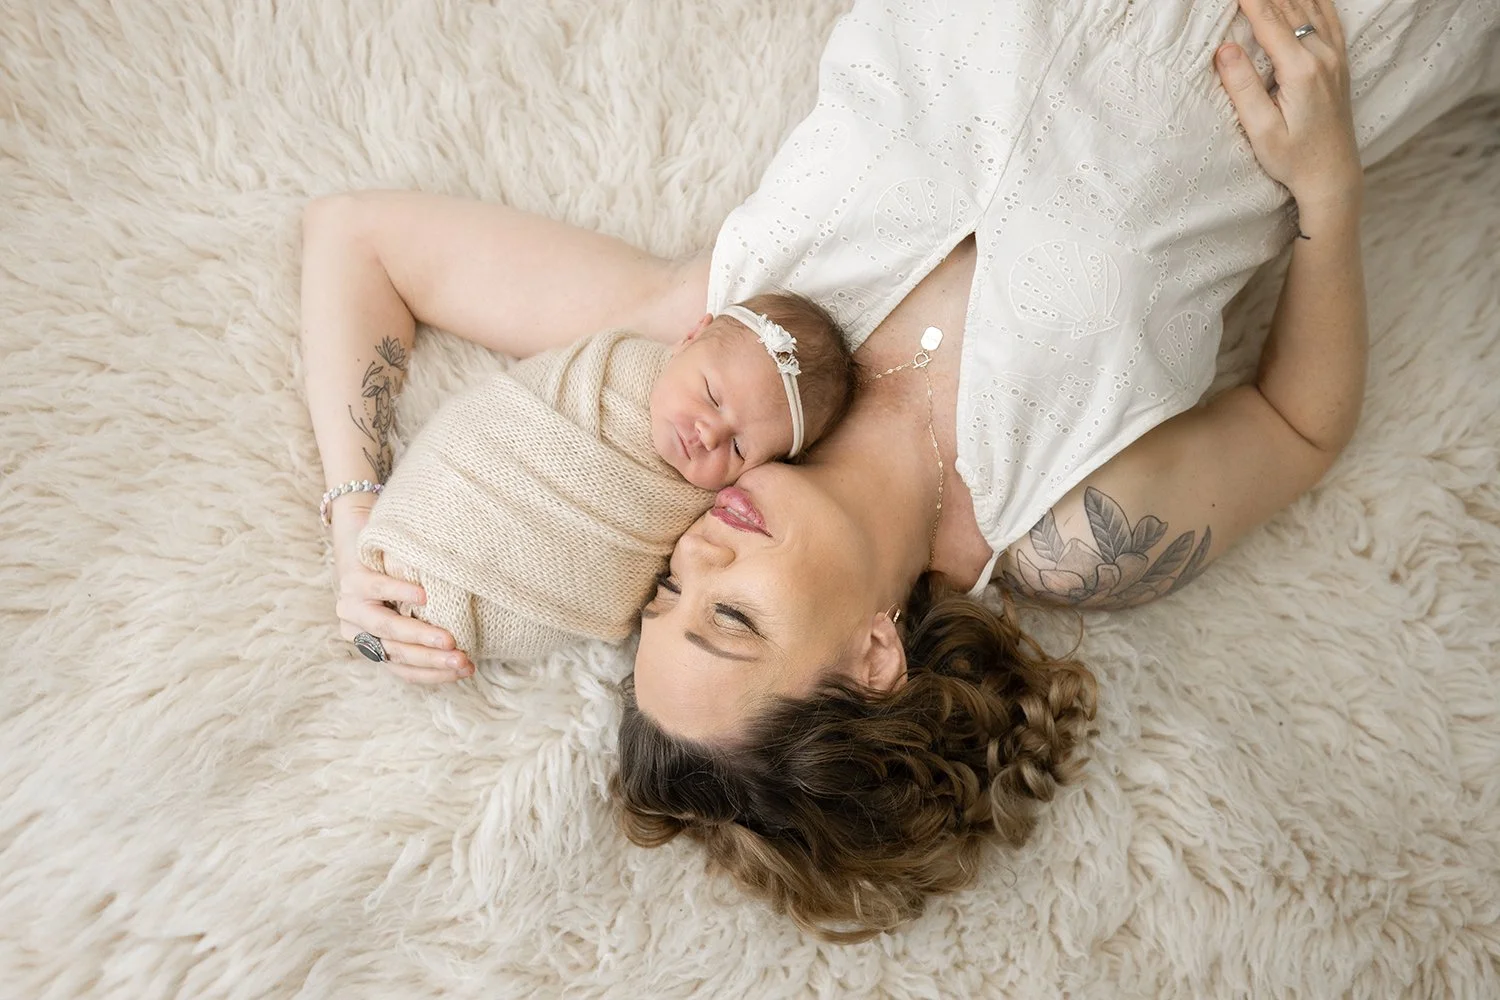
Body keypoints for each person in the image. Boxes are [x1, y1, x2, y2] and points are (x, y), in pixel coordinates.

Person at [298, 0, 1497, 935]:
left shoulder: (718, 343)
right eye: (729, 617)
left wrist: (363, 529)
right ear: (873, 655)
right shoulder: (1067, 526)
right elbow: (1297, 426)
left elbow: (362, 242)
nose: (697, 550)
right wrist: (1328, 193)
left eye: (665, 591)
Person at [349, 295, 856, 664]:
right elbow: (488, 428)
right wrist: (352, 517)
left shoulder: (702, 509)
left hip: (523, 600)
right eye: (711, 395)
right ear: (689, 338)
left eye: (740, 447)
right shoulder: (617, 369)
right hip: (455, 484)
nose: (707, 433)